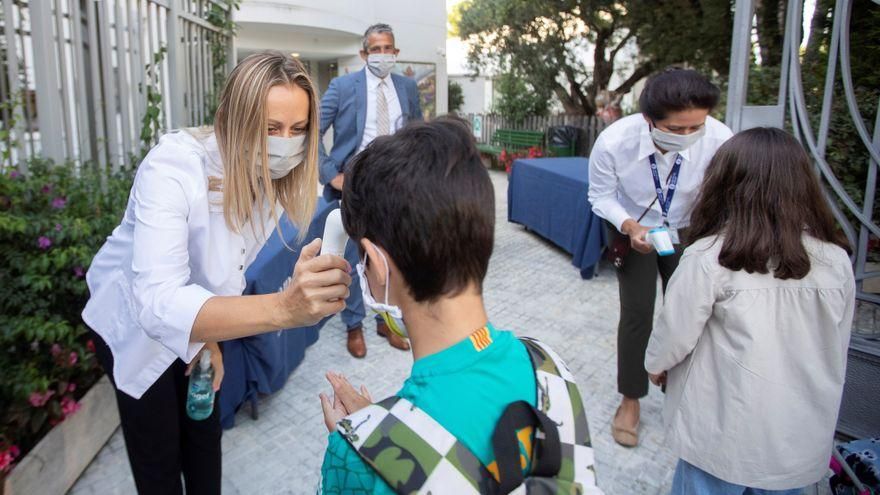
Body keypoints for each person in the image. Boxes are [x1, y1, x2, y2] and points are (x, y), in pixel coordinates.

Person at [81, 52, 352, 494]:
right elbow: (157, 302)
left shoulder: (272, 181)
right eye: (270, 128)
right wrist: (285, 308)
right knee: (159, 455)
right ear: (231, 118)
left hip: (200, 322)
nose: (285, 143)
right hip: (133, 328)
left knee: (204, 429)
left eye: (298, 130)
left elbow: (224, 274)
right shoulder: (172, 166)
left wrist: (209, 338)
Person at [315, 118, 600, 494]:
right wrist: (377, 429)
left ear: (377, 264)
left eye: (362, 263)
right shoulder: (550, 367)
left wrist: (365, 443)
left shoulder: (354, 458)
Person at [645, 128, 855, 494]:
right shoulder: (836, 261)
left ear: (725, 184)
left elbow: (673, 333)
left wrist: (655, 365)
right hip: (797, 435)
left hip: (720, 432)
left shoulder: (709, 257)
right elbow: (838, 342)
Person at [587, 68, 733, 447]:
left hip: (689, 231)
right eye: (677, 129)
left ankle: (682, 388)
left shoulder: (720, 139)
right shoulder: (613, 142)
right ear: (649, 119)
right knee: (637, 312)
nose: (688, 136)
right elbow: (600, 197)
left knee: (691, 311)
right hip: (635, 230)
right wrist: (630, 226)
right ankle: (631, 399)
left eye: (695, 127)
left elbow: (728, 195)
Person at [318, 23, 423, 358]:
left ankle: (384, 322)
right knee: (352, 259)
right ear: (364, 53)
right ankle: (354, 326)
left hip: (394, 188)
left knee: (389, 259)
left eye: (388, 48)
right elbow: (311, 132)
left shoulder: (407, 86)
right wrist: (330, 173)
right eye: (375, 49)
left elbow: (417, 133)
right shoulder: (342, 86)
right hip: (354, 187)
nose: (382, 55)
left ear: (396, 52)